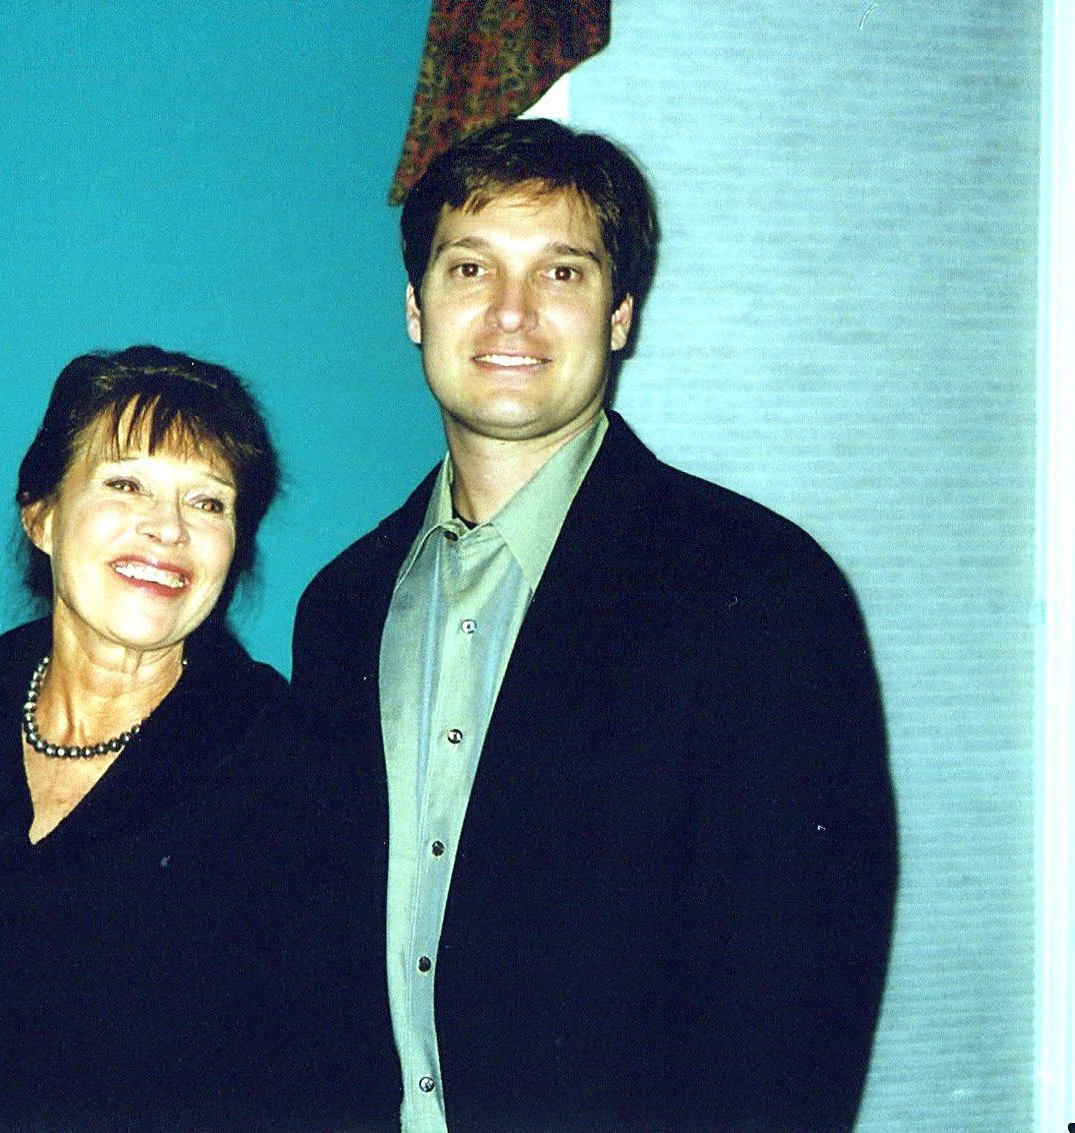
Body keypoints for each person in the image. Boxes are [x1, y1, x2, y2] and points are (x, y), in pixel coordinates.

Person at [290, 118, 899, 1131]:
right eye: (471, 267)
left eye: (562, 274)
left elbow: (794, 1017)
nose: (512, 314)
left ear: (620, 314)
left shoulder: (761, 592)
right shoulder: (342, 606)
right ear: (415, 306)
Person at [0, 346, 310, 1131]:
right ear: (42, 513)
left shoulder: (286, 762)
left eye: (209, 502)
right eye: (126, 485)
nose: (168, 531)